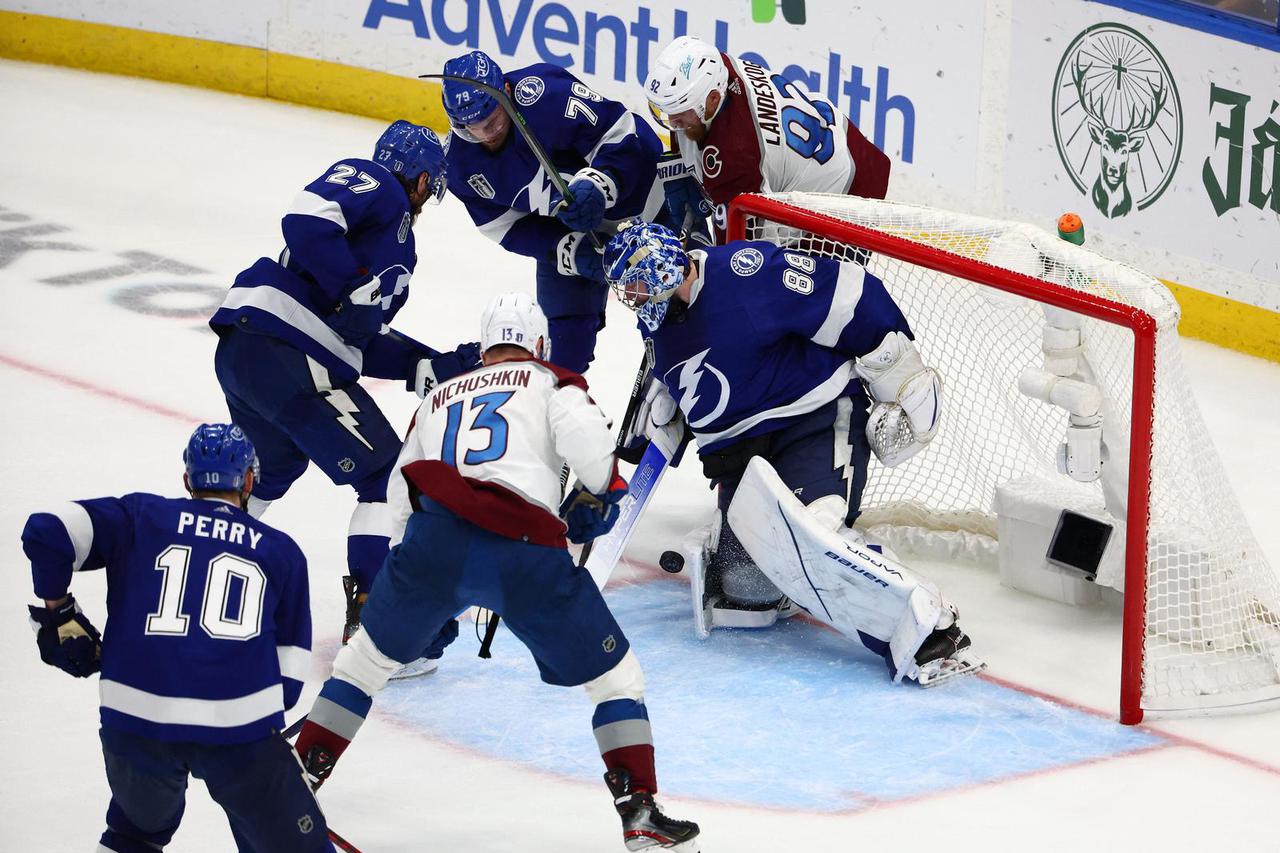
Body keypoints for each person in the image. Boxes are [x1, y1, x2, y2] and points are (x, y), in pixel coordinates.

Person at [293, 292, 701, 852]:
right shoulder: (551, 381)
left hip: (432, 544)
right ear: (537, 345)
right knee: (617, 681)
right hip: (523, 549)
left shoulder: (436, 397)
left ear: (485, 348)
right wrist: (596, 491)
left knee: (362, 664)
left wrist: (409, 575)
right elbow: (593, 451)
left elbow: (399, 491)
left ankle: (298, 780)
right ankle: (640, 814)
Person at [604, 221, 983, 687]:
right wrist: (660, 413)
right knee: (744, 593)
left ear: (663, 270)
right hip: (741, 459)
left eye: (639, 285)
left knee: (812, 534)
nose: (634, 298)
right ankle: (793, 579)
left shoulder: (746, 273)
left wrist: (901, 376)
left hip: (811, 421)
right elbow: (681, 370)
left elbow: (849, 293)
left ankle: (927, 622)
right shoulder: (658, 318)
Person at [209, 120, 473, 676]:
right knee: (385, 475)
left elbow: (355, 336)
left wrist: (427, 362)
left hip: (249, 353)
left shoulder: (389, 243)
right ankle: (378, 634)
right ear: (422, 180)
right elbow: (304, 220)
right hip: (286, 351)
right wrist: (350, 282)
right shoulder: (376, 181)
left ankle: (196, 585)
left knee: (270, 470)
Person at [22, 423, 335, 852]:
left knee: (133, 834)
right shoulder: (280, 550)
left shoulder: (140, 517)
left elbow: (47, 530)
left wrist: (57, 613)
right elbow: (289, 680)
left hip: (133, 721)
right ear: (248, 480)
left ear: (187, 480)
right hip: (238, 731)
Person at [439, 50, 682, 375]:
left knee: (677, 310)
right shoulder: (459, 164)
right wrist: (566, 250)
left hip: (643, 206)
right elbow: (504, 227)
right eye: (471, 129)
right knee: (559, 349)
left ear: (507, 93)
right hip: (569, 231)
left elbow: (623, 132)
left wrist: (600, 184)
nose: (486, 134)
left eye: (493, 120)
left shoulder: (545, 92)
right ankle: (563, 415)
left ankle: (678, 395)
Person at [645, 35, 892, 242]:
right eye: (668, 113)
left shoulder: (736, 157)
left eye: (681, 114)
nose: (673, 124)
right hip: (831, 144)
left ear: (712, 100)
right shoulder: (715, 69)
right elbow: (686, 120)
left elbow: (736, 260)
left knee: (793, 290)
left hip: (847, 198)